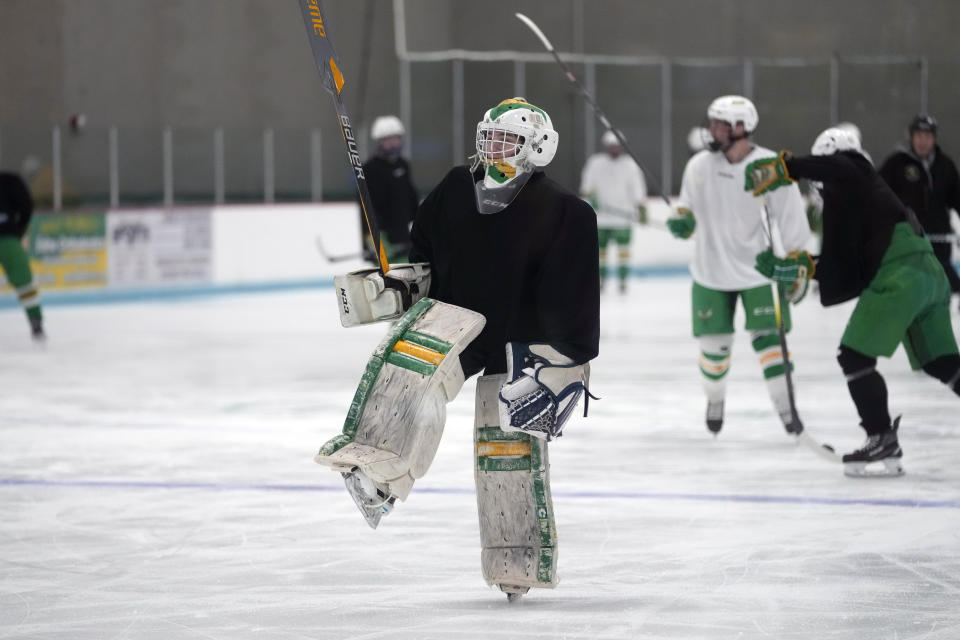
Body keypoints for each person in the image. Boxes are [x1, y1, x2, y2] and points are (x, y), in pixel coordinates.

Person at [315, 98, 599, 600]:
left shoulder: (566, 212)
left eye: (507, 140)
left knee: (507, 450)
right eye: (488, 136)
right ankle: (382, 481)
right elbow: (425, 254)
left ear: (537, 147)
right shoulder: (453, 189)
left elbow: (576, 297)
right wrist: (400, 286)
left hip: (519, 341)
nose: (492, 147)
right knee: (409, 386)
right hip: (457, 319)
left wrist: (566, 364)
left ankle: (518, 564)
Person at [744, 127, 960, 477]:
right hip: (927, 276)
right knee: (943, 363)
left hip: (900, 275)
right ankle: (882, 437)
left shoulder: (855, 169)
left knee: (855, 356)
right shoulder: (856, 203)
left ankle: (880, 437)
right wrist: (799, 267)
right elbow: (846, 269)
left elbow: (840, 168)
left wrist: (788, 167)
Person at [666, 95, 811, 436]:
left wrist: (796, 260)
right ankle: (715, 400)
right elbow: (686, 207)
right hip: (709, 273)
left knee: (771, 346)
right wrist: (682, 219)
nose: (711, 130)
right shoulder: (699, 165)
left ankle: (787, 411)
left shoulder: (769, 167)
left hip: (759, 274)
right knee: (714, 352)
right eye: (712, 122)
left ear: (742, 128)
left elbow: (791, 221)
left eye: (720, 124)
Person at [879, 114, 960, 304]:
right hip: (906, 241)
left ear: (934, 138)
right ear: (911, 137)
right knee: (908, 292)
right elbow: (878, 194)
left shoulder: (945, 165)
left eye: (927, 136)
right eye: (919, 136)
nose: (923, 141)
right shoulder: (897, 163)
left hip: (938, 244)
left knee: (938, 294)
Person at [579, 129, 647, 293]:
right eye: (611, 145)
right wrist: (591, 196)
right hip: (601, 217)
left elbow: (637, 189)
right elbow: (587, 185)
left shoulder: (630, 165)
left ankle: (623, 281)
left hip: (623, 218)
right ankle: (601, 281)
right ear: (606, 146)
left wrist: (641, 207)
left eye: (616, 145)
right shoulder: (595, 163)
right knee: (600, 254)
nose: (614, 148)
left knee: (623, 253)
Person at [357, 115, 420, 264]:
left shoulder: (403, 165)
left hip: (404, 241)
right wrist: (372, 239)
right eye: (388, 140)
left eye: (396, 138)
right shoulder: (369, 169)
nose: (393, 143)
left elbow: (411, 201)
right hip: (382, 242)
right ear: (379, 142)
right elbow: (366, 208)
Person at [0, 171, 44, 341]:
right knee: (24, 281)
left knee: (24, 281)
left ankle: (35, 322)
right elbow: (26, 206)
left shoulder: (9, 180)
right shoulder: (9, 181)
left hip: (8, 237)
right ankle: (35, 322)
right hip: (8, 237)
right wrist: (17, 229)